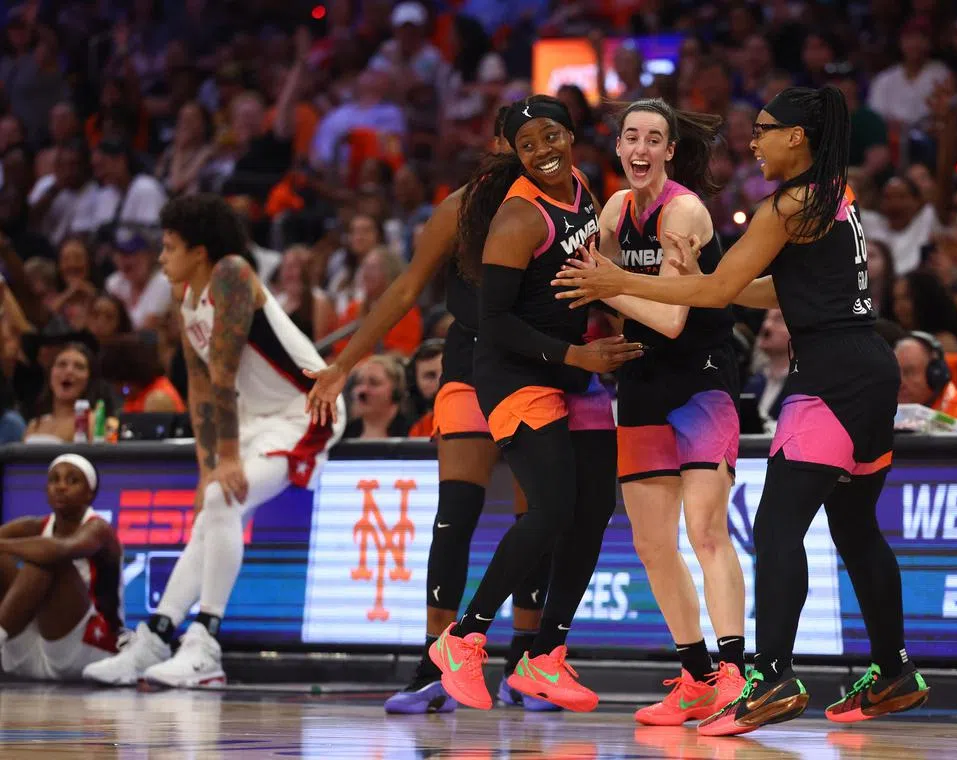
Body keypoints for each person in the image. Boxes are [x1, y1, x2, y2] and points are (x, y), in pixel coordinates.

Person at [555, 86, 930, 734]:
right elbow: (765, 288)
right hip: (871, 368)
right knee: (857, 530)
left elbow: (716, 290)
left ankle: (770, 676)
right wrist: (652, 287)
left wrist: (616, 282)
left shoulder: (786, 204)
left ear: (798, 139)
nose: (753, 142)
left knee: (776, 526)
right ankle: (893, 668)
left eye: (765, 130)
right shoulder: (833, 196)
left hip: (823, 377)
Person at [305, 107, 562, 713]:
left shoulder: (569, 200)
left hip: (540, 370)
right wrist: (343, 364)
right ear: (498, 144)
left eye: (540, 136)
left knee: (537, 520)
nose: (523, 147)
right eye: (513, 137)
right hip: (472, 368)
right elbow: (402, 290)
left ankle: (523, 659)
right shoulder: (464, 206)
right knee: (457, 512)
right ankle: (435, 658)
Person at [428, 95, 641, 712]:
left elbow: (586, 274)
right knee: (550, 509)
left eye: (551, 136)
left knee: (595, 507)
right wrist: (580, 357)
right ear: (515, 155)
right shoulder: (518, 218)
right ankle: (463, 639)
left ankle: (545, 656)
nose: (543, 151)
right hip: (515, 372)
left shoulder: (579, 185)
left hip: (570, 362)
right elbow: (492, 324)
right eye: (528, 145)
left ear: (571, 136)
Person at [83, 194, 345, 688]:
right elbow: (200, 388)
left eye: (169, 247)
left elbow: (222, 375)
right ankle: (158, 638)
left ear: (198, 251)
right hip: (253, 417)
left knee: (222, 499)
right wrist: (209, 465)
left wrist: (225, 461)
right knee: (213, 504)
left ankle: (205, 643)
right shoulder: (188, 300)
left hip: (305, 411)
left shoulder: (231, 274)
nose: (161, 258)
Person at [579, 97, 746, 725]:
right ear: (618, 149)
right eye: (630, 137)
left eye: (654, 138)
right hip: (643, 381)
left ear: (670, 151)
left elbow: (674, 318)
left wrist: (607, 285)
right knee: (651, 543)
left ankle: (735, 673)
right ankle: (698, 675)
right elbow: (617, 304)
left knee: (706, 529)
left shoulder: (685, 211)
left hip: (701, 380)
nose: (641, 148)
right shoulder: (615, 212)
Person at [0, 454, 122, 680]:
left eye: (72, 480)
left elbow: (61, 550)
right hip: (33, 647)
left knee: (50, 559)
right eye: (54, 480)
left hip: (88, 647)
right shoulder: (36, 525)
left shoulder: (99, 529)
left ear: (90, 492)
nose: (61, 487)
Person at [895, 332, 957, 432]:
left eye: (909, 372)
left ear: (935, 373)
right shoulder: (886, 415)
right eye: (895, 373)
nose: (900, 383)